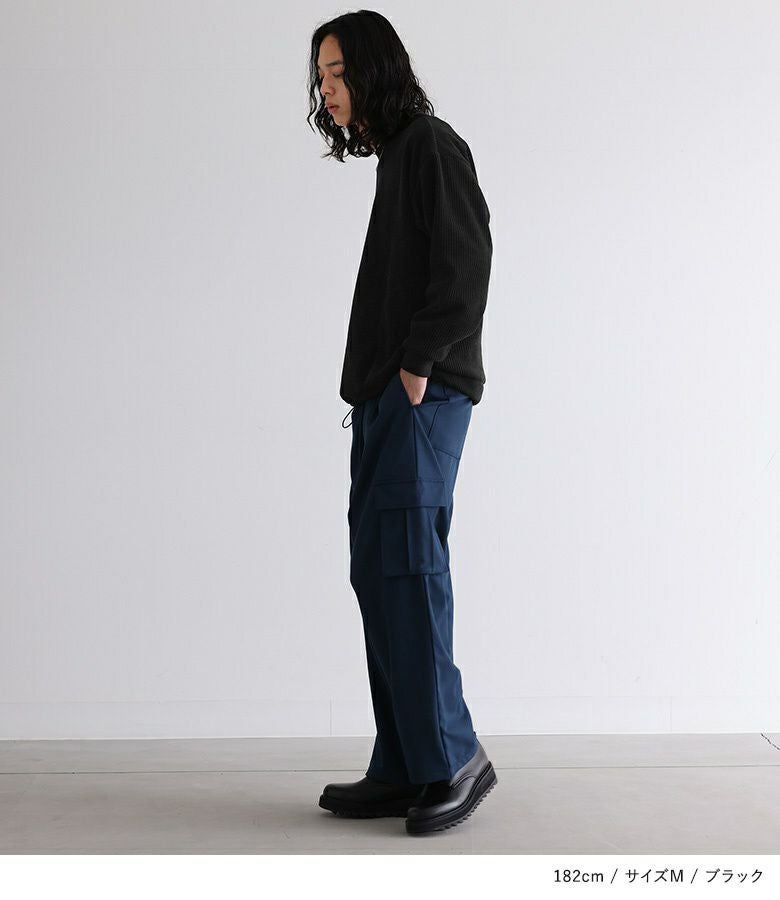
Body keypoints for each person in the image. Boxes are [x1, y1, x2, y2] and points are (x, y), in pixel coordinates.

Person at [306, 10, 497, 835]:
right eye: (321, 75)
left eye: (339, 71)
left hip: (424, 395)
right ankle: (406, 763)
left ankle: (454, 758)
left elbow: (468, 262)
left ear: (376, 69)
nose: (327, 89)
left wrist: (416, 366)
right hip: (385, 399)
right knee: (380, 574)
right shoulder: (397, 157)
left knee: (410, 571)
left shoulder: (431, 146)